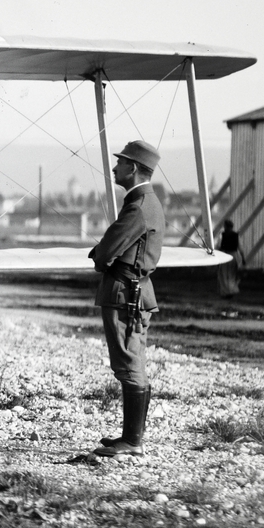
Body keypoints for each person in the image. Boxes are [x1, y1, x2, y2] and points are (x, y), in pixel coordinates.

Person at [88, 140, 164, 457]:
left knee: (129, 362)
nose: (115, 167)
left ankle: (132, 441)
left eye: (120, 163)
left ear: (132, 168)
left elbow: (105, 251)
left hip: (125, 293)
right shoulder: (143, 202)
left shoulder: (139, 206)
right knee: (132, 361)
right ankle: (131, 438)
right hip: (132, 290)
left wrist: (99, 256)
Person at [217, 219, 241, 299]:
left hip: (225, 255)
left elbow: (219, 246)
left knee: (223, 274)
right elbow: (240, 247)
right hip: (234, 255)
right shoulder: (236, 235)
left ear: (225, 226)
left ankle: (226, 292)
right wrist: (243, 258)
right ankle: (232, 290)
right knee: (232, 274)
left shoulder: (222, 235)